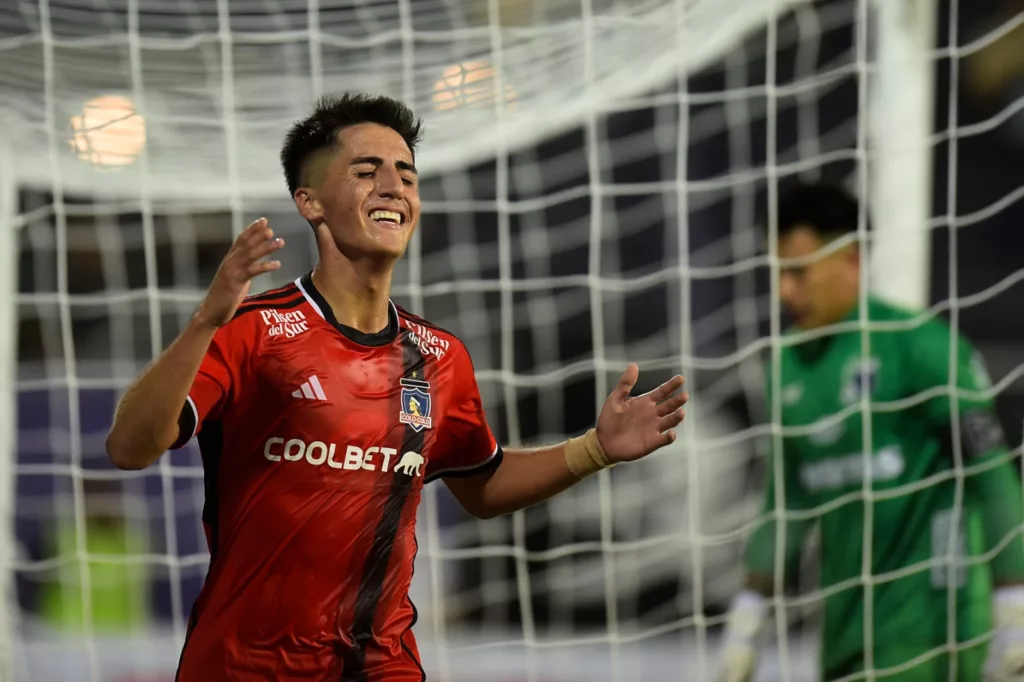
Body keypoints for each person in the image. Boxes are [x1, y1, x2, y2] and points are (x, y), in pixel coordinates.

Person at [105, 92, 688, 681]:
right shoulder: (253, 331)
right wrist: (206, 320)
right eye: (366, 171)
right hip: (244, 667)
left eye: (406, 174)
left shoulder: (440, 356)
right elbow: (130, 448)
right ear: (309, 202)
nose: (393, 186)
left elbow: (481, 485)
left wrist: (595, 448)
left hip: (382, 665)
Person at [716, 182, 1024, 681]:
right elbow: (786, 506)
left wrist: (1014, 609)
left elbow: (994, 479)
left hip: (938, 635)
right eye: (778, 273)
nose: (784, 292)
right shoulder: (787, 366)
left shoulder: (921, 347)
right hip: (844, 640)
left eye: (798, 272)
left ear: (852, 260)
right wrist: (746, 620)